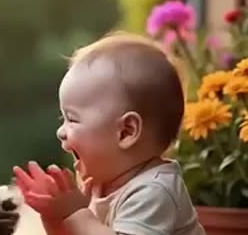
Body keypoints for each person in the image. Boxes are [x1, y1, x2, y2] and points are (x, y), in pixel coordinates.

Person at [13, 32, 206, 235]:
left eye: (72, 119)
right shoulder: (102, 185)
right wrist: (55, 216)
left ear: (126, 132)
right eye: (63, 119)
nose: (61, 131)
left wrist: (76, 213)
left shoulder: (154, 191)